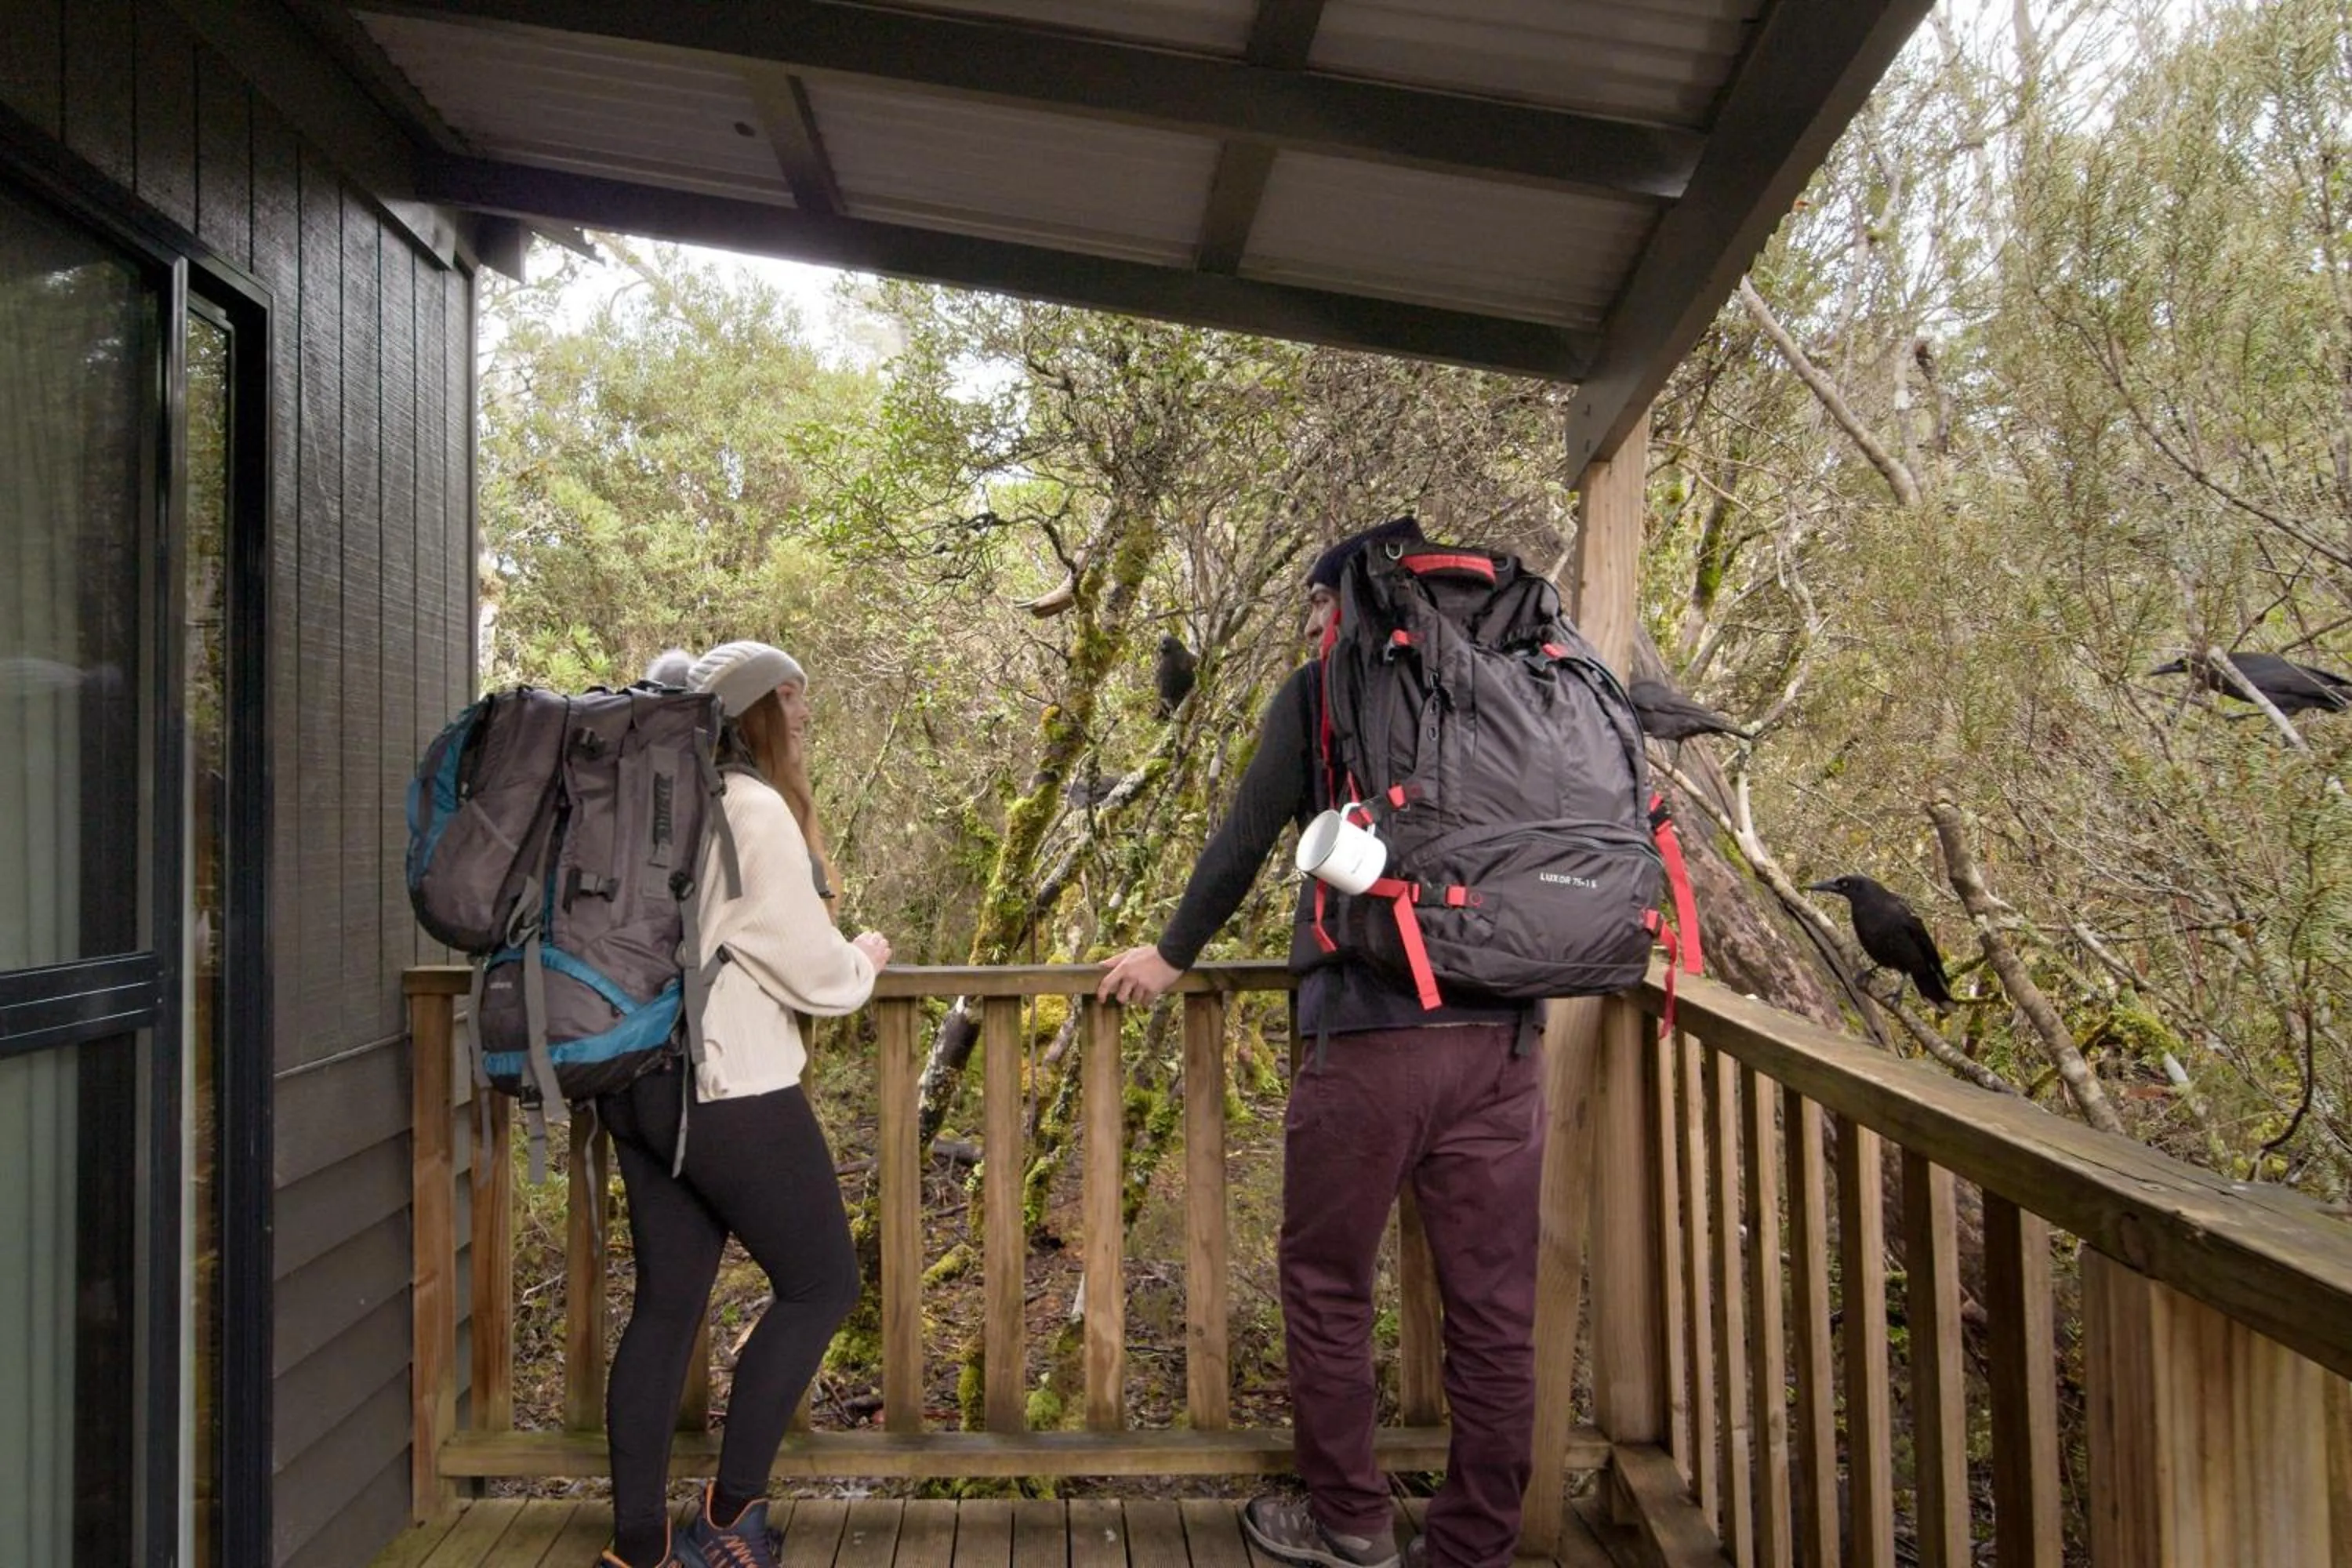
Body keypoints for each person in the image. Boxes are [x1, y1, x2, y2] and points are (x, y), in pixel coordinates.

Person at [1098, 519, 1546, 1568]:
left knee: (1328, 1278)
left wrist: (1172, 953)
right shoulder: (1513, 694)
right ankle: (1474, 1542)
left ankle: (1351, 1519)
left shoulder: (1330, 693)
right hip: (1507, 1040)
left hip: (1377, 1036)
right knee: (1493, 1309)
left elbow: (1246, 835)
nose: (1307, 633)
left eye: (1313, 613)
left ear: (1352, 610)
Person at [597, 639, 890, 1568]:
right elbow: (814, 971)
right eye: (794, 698)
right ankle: (729, 1521)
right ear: (759, 710)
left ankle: (639, 1549)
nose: (805, 715)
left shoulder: (659, 802)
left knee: (666, 1307)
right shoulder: (752, 808)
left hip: (636, 1081)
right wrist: (866, 960)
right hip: (727, 1084)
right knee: (822, 1283)